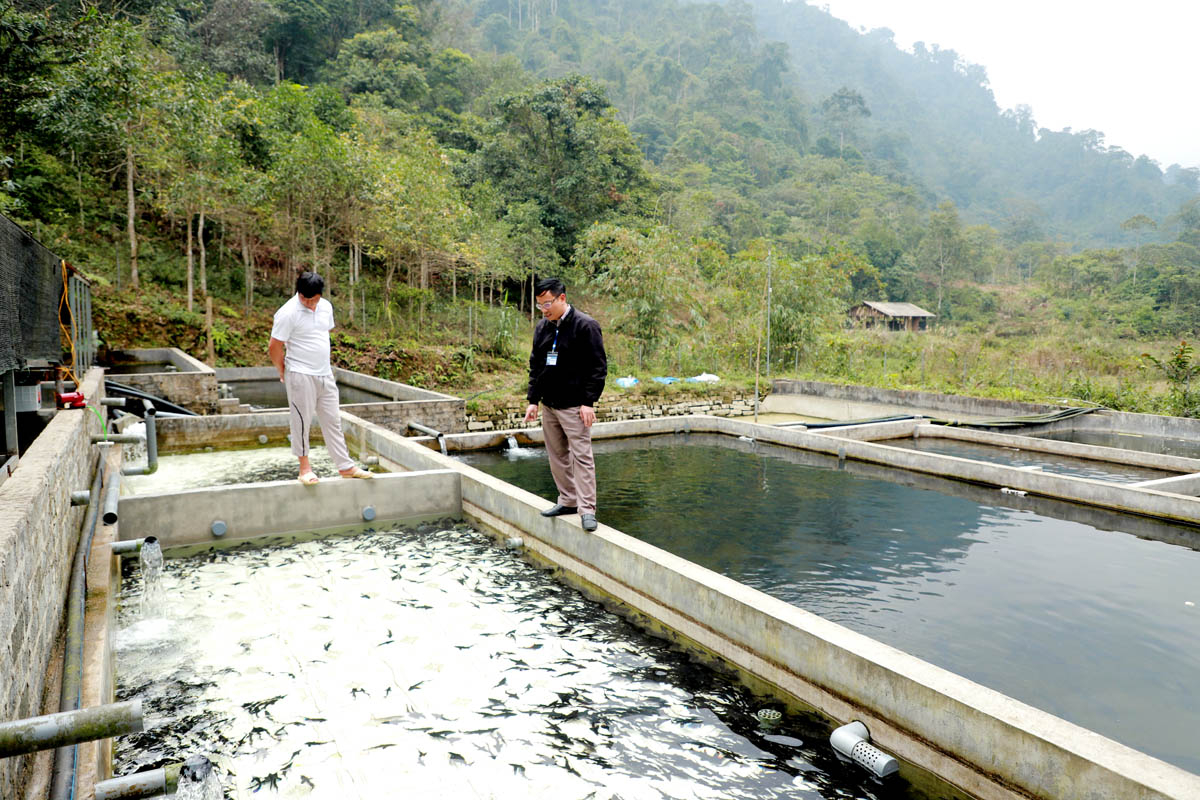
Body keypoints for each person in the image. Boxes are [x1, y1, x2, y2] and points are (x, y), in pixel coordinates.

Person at [268, 271, 372, 485]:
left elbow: (321, 334)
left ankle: (345, 466)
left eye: (313, 299)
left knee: (333, 419)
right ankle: (304, 468)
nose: (309, 303)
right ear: (299, 293)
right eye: (305, 299)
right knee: (302, 421)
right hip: (300, 373)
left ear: (320, 295)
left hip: (324, 373)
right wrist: (281, 369)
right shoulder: (287, 313)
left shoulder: (325, 306)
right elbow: (274, 346)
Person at [524, 277, 607, 532]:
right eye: (540, 305)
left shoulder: (586, 326)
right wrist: (533, 400)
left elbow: (598, 367)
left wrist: (588, 402)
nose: (544, 310)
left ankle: (587, 510)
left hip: (575, 406)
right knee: (557, 456)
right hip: (550, 405)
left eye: (547, 304)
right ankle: (568, 501)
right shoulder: (542, 328)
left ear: (562, 298)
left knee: (581, 457)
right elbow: (536, 366)